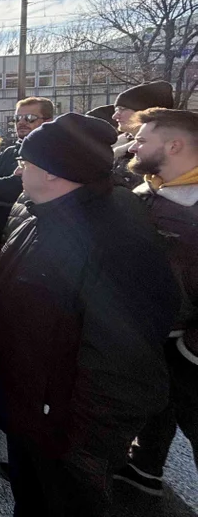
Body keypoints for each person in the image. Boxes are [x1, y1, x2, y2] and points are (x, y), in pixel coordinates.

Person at [0, 113, 179, 516]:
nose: (18, 168)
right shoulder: (42, 211)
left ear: (53, 172)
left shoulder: (113, 236)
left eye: (26, 162)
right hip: (33, 409)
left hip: (64, 431)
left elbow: (125, 361)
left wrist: (81, 443)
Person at [113, 108, 198, 496]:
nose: (133, 144)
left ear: (175, 145)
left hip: (188, 348)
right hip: (150, 335)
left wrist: (191, 348)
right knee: (155, 407)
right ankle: (145, 467)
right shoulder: (146, 190)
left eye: (143, 139)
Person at [0, 97, 55, 208]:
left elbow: (16, 189)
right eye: (17, 118)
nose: (21, 122)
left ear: (48, 121)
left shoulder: (52, 152)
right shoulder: (9, 151)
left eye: (29, 118)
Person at [112, 80, 175, 190]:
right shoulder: (119, 147)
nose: (115, 116)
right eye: (116, 110)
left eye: (122, 109)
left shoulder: (163, 151)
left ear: (145, 112)